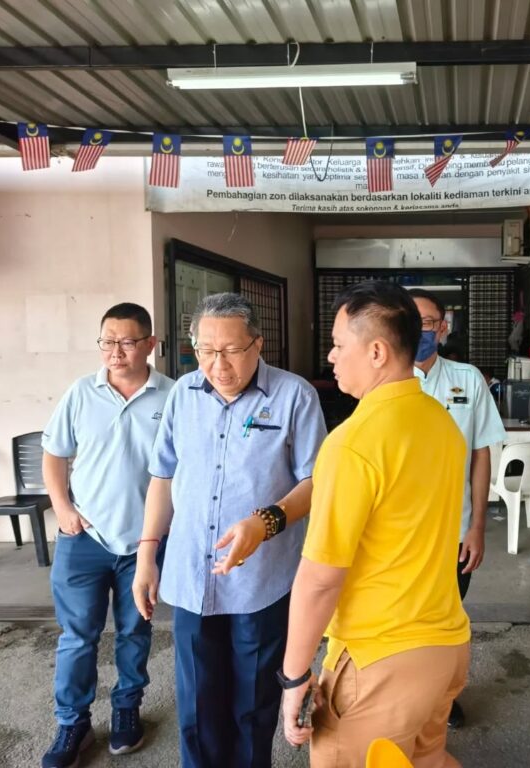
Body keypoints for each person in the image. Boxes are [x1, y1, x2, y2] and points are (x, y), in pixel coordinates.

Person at [278, 280, 470, 768]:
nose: (331, 355)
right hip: (445, 646)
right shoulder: (440, 421)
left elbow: (321, 578)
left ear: (378, 351)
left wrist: (294, 678)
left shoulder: (353, 443)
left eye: (341, 345)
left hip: (378, 658)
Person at [132, 292, 326, 768]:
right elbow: (163, 475)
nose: (218, 365)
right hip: (191, 575)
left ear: (258, 344)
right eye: (205, 351)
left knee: (253, 703)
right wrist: (146, 555)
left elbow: (316, 482)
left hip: (261, 581)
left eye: (231, 351)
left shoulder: (294, 395)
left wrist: (264, 523)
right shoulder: (183, 394)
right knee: (196, 702)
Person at [40, 303, 174, 768]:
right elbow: (55, 456)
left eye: (127, 342)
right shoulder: (81, 393)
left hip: (143, 544)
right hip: (85, 539)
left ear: (150, 344)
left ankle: (126, 709)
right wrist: (63, 508)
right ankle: (72, 723)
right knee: (78, 637)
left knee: (135, 631)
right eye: (107, 341)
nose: (115, 352)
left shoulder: (172, 396)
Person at [410, 288, 506, 729]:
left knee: (449, 619)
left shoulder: (467, 380)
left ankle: (445, 698)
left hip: (456, 528)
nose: (418, 331)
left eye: (427, 322)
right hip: (402, 533)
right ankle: (409, 700)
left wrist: (479, 526)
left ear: (443, 328)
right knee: (406, 619)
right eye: (408, 321)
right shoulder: (383, 381)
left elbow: (483, 453)